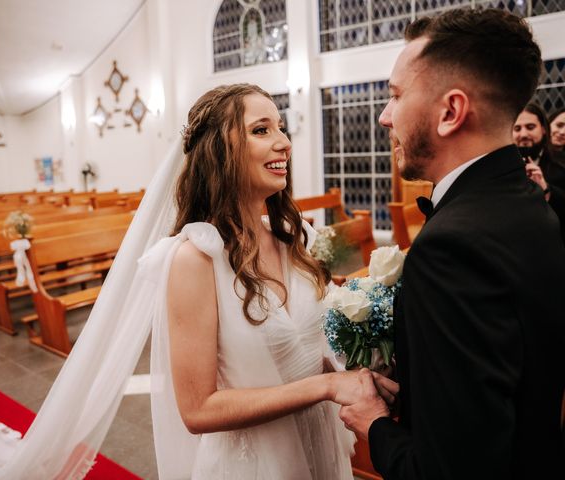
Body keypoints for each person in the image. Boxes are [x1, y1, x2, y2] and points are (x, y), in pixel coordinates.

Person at [338, 8, 565, 480]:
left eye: (396, 95)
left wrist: (373, 423)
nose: (384, 116)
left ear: (451, 112)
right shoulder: (529, 203)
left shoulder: (451, 249)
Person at [148, 83, 396, 479]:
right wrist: (326, 388)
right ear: (219, 151)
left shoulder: (295, 238)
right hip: (254, 465)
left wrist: (369, 358)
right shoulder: (195, 260)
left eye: (281, 128)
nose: (284, 143)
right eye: (261, 130)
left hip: (322, 450)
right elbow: (197, 410)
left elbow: (315, 345)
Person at [513, 103, 565, 242]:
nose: (523, 134)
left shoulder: (561, 163)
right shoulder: (502, 165)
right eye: (517, 128)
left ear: (543, 129)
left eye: (530, 127)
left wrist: (546, 190)